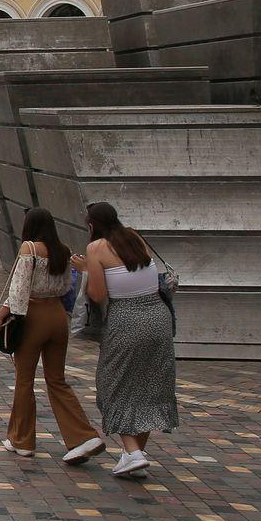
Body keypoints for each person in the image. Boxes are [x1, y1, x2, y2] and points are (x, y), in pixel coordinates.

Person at [0, 208, 104, 465]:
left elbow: (19, 290)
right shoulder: (62, 250)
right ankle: (83, 436)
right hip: (57, 317)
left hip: (34, 314)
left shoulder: (29, 249)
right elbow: (66, 286)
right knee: (57, 380)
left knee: (24, 379)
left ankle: (23, 440)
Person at [80, 201, 175, 479]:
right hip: (158, 317)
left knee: (112, 384)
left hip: (126, 319)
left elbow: (98, 296)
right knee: (149, 384)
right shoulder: (134, 236)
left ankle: (132, 452)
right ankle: (132, 457)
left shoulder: (96, 248)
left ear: (91, 225)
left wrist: (86, 271)